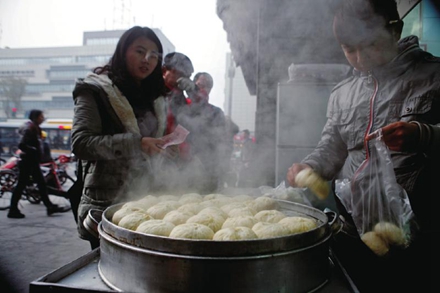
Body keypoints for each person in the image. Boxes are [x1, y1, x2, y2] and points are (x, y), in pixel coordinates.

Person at [286, 0, 438, 292]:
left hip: (422, 233)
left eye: (368, 45)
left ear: (395, 30)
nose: (360, 57)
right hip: (354, 231)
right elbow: (331, 146)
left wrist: (424, 135)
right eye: (349, 49)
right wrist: (310, 166)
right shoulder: (343, 93)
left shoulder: (432, 76)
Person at [71, 26, 167, 249]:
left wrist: (162, 148)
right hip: (107, 200)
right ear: (123, 52)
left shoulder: (154, 97)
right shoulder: (95, 89)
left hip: (147, 200)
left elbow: (148, 147)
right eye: (140, 51)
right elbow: (81, 143)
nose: (147, 59)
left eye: (154, 55)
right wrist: (138, 144)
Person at [7, 109, 70, 219]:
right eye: (41, 116)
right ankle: (13, 210)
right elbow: (22, 145)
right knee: (21, 186)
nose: (43, 118)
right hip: (28, 162)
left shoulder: (34, 127)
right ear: (35, 117)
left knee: (41, 185)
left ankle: (49, 206)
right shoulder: (30, 128)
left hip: (32, 162)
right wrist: (34, 150)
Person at [178, 72, 230, 193]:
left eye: (207, 86)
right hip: (182, 170)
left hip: (208, 170)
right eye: (199, 85)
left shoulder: (216, 112)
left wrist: (223, 169)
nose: (203, 90)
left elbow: (222, 142)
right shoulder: (182, 107)